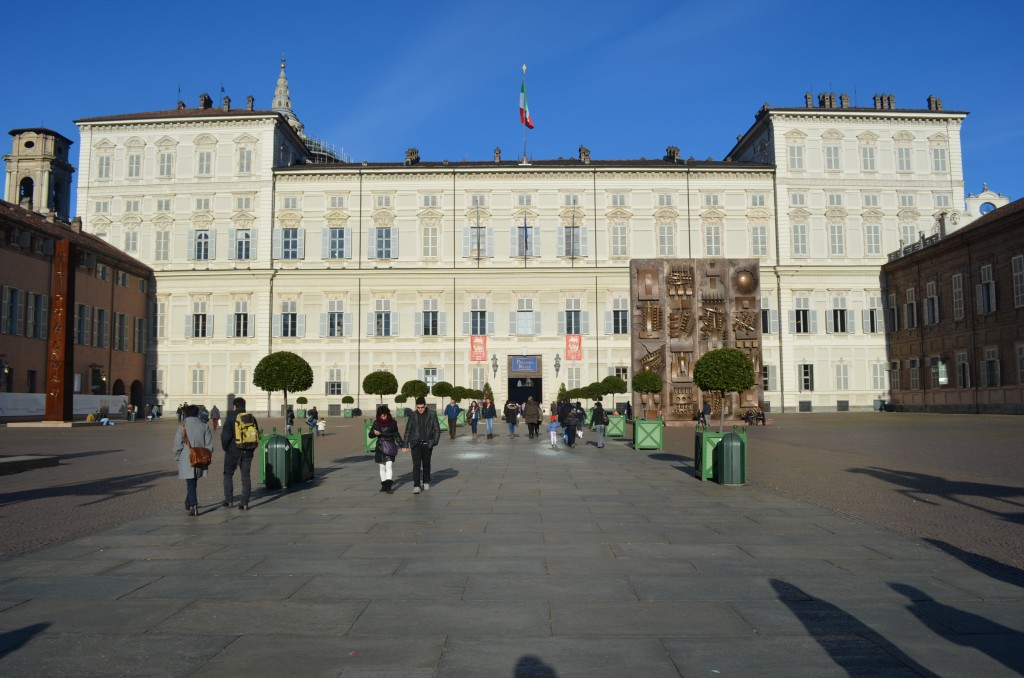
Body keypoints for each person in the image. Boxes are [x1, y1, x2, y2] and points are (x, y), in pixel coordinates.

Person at [174, 404, 213, 516]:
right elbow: (210, 445)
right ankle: (189, 500)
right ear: (197, 413)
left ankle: (194, 505)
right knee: (193, 481)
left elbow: (177, 445)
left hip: (186, 458)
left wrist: (178, 459)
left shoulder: (183, 427)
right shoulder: (204, 426)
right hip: (201, 456)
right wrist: (205, 455)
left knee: (191, 481)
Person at [221, 397, 257, 511]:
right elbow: (255, 434)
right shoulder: (251, 417)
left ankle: (229, 500)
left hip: (233, 450)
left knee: (228, 474)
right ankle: (245, 503)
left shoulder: (231, 417)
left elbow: (225, 437)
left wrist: (226, 448)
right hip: (248, 449)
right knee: (246, 476)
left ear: (234, 406)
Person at [403, 397, 441, 494]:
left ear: (425, 405)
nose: (420, 409)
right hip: (415, 443)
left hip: (427, 443)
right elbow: (408, 430)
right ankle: (416, 485)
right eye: (418, 407)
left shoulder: (432, 414)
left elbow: (436, 429)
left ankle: (426, 481)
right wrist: (405, 444)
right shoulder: (413, 415)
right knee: (416, 465)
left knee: (426, 464)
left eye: (422, 407)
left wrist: (434, 442)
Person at [369, 404, 403, 493]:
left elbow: (396, 434)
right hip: (380, 447)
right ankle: (383, 485)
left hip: (389, 446)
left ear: (388, 414)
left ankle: (388, 485)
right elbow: (370, 435)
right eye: (381, 415)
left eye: (385, 415)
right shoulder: (376, 422)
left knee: (389, 466)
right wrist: (374, 433)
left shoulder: (392, 422)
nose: (383, 417)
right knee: (381, 467)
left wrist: (402, 445)